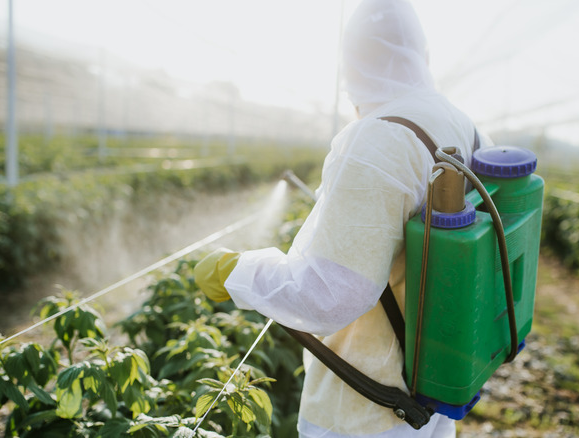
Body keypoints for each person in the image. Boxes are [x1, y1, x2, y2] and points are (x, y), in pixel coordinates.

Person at [194, 0, 492, 436]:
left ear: (351, 65)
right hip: (431, 389)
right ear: (422, 56)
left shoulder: (380, 139)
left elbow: (329, 295)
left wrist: (237, 271)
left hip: (366, 411)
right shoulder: (464, 125)